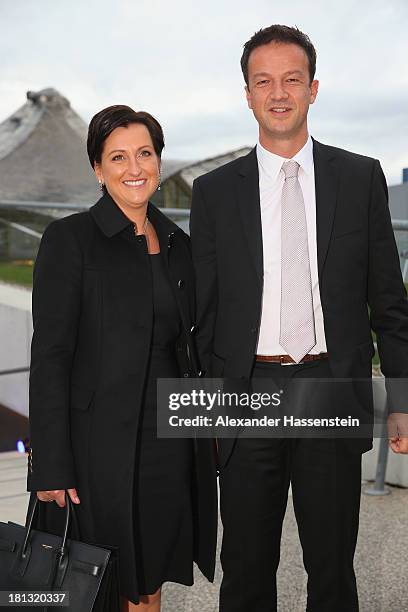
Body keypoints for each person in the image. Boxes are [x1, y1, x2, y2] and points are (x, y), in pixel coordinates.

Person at [190, 24, 408, 612]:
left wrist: (404, 398)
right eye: (264, 81)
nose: (278, 92)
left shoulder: (360, 177)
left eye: (291, 79)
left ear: (313, 88)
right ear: (247, 94)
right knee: (245, 569)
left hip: (329, 385)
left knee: (333, 567)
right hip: (247, 391)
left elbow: (388, 297)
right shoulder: (212, 192)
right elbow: (203, 314)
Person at [27, 105, 217, 611]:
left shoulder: (180, 245)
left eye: (144, 154)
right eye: (118, 157)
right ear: (98, 168)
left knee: (149, 577)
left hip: (167, 444)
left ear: (158, 160)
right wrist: (50, 464)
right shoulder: (69, 240)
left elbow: (192, 346)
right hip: (96, 451)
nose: (134, 168)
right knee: (94, 584)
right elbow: (50, 356)